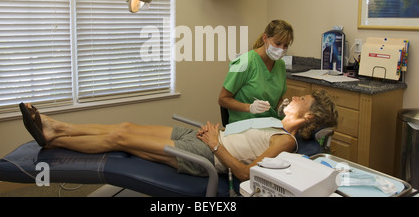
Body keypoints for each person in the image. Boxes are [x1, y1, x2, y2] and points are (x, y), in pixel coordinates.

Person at [20, 89, 337, 182]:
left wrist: (214, 144)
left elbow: (246, 174)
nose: (293, 98)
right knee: (126, 128)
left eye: (301, 100)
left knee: (119, 140)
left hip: (205, 156)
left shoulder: (285, 142)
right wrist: (215, 133)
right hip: (205, 138)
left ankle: (53, 138)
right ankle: (56, 126)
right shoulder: (276, 125)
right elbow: (238, 136)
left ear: (307, 116)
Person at [218, 20, 294, 123]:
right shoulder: (244, 62)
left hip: (270, 123)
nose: (281, 49)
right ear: (265, 38)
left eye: (285, 45)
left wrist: (280, 108)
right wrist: (249, 108)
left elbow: (278, 98)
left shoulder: (280, 64)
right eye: (277, 43)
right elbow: (223, 99)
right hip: (245, 124)